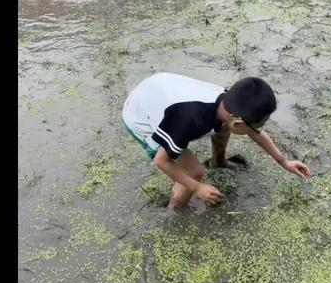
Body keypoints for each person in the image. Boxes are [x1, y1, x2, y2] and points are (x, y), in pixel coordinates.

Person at [122, 73, 311, 210]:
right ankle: (175, 210)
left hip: (158, 88)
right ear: (237, 122)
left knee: (222, 128)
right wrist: (198, 187)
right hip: (140, 115)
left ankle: (218, 162)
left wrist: (283, 161)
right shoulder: (190, 121)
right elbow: (162, 161)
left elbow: (254, 133)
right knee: (194, 171)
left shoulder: (226, 105)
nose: (258, 130)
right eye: (256, 126)